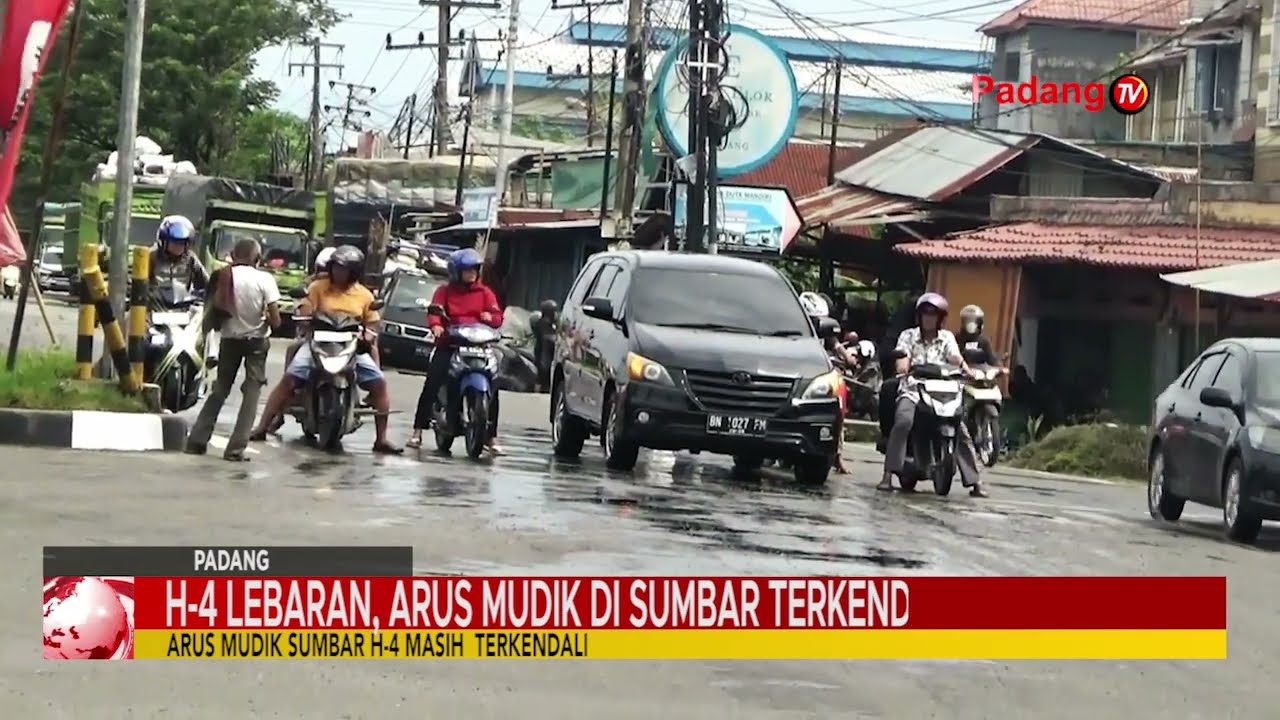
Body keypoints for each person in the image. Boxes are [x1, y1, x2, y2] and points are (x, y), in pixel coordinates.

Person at [248, 245, 402, 454]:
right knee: (290, 379)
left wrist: (368, 335)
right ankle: (262, 426)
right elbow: (305, 308)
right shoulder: (318, 287)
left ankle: (381, 439)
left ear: (354, 272)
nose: (339, 272)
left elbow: (372, 322)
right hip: (318, 342)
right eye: (336, 268)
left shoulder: (364, 295)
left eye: (344, 269)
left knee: (380, 383)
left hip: (350, 345)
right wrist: (304, 313)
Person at [879, 292, 987, 497]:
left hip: (943, 390)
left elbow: (954, 356)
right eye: (925, 313)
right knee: (903, 421)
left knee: (961, 430)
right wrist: (903, 366)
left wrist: (966, 369)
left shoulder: (946, 338)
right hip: (913, 388)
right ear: (919, 316)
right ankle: (887, 475)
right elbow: (903, 357)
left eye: (933, 314)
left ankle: (975, 482)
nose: (928, 317)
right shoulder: (908, 336)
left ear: (940, 318)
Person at [185, 238, 281, 461]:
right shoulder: (264, 279)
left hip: (229, 339)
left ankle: (197, 441)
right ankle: (236, 449)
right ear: (257, 258)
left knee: (220, 389)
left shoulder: (223, 276)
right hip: (256, 342)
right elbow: (276, 321)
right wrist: (265, 319)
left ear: (233, 255)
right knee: (251, 392)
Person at [407, 248, 504, 452]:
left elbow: (497, 316)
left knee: (493, 387)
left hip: (478, 346)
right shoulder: (444, 292)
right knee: (432, 383)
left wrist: (490, 318)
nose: (471, 274)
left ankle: (491, 436)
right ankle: (417, 430)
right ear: (455, 272)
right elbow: (434, 312)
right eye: (466, 270)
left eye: (474, 270)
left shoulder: (485, 293)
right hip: (450, 345)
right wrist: (436, 325)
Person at [149, 215, 209, 295]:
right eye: (174, 242)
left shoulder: (191, 259)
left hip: (184, 304)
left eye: (182, 243)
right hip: (155, 304)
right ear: (163, 242)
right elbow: (135, 284)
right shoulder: (150, 256)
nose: (178, 247)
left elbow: (206, 284)